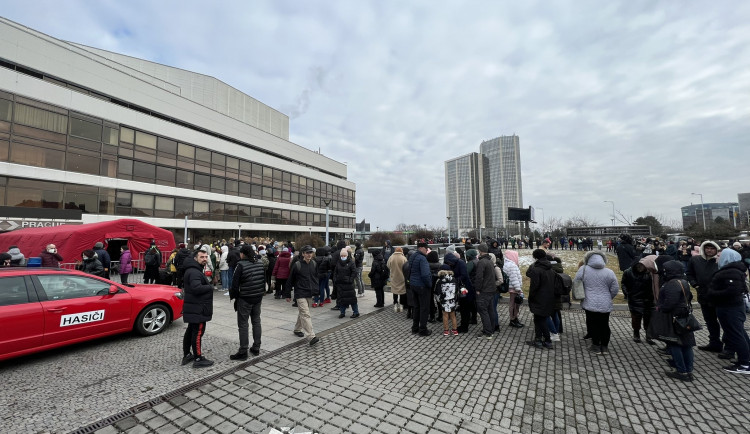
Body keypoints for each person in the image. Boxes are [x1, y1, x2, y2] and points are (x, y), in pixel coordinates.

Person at [708, 248, 750, 374]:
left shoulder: (730, 271)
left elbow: (733, 290)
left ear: (727, 257)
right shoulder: (730, 270)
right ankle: (745, 360)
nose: (717, 257)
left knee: (736, 335)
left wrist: (712, 293)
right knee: (739, 333)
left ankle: (744, 364)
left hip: (730, 308)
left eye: (719, 255)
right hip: (728, 307)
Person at [575, 251, 619, 355]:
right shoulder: (609, 272)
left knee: (593, 324)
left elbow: (576, 282)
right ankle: (604, 346)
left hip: (589, 302)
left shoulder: (583, 269)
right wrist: (608, 297)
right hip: (605, 303)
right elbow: (615, 288)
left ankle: (595, 345)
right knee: (604, 324)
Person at [658, 260, 696, 381]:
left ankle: (681, 371)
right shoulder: (683, 281)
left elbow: (670, 303)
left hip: (675, 317)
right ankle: (688, 370)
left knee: (675, 343)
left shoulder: (672, 284)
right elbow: (689, 297)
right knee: (687, 344)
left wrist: (661, 308)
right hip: (684, 315)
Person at [229, 245, 265, 360]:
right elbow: (262, 279)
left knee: (243, 324)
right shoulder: (260, 262)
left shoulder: (240, 265)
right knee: (256, 321)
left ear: (243, 254)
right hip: (257, 297)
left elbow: (234, 285)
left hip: (245, 298)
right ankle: (256, 347)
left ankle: (243, 350)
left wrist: (235, 297)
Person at [686, 240, 723, 353]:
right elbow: (689, 273)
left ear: (716, 249)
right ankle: (714, 342)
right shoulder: (695, 260)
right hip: (703, 295)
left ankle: (730, 346)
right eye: (707, 248)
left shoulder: (720, 260)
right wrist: (694, 284)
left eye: (712, 248)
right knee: (710, 321)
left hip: (718, 296)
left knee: (724, 321)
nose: (709, 250)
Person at [181, 249, 214, 368]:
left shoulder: (193, 269)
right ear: (195, 258)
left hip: (194, 306)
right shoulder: (194, 271)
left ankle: (187, 354)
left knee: (191, 331)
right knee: (198, 333)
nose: (204, 259)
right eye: (202, 257)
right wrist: (209, 287)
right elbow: (196, 288)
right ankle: (198, 358)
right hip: (198, 307)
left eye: (206, 257)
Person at [284, 245, 320, 345]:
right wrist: (287, 294)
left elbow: (316, 278)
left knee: (303, 312)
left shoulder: (314, 263)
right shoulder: (297, 265)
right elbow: (290, 279)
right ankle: (311, 336)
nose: (309, 254)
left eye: (311, 252)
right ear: (303, 254)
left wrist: (317, 291)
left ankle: (297, 329)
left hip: (310, 292)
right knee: (305, 313)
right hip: (300, 292)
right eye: (307, 253)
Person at [526, 249, 556, 349]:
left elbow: (534, 286)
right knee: (538, 319)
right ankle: (538, 339)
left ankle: (547, 340)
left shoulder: (536, 269)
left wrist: (532, 297)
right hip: (549, 297)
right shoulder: (550, 268)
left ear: (535, 257)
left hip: (539, 298)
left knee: (540, 319)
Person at [621, 260, 654, 344]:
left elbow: (653, 285)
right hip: (634, 298)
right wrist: (627, 293)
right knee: (636, 317)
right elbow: (623, 283)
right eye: (639, 266)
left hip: (647, 299)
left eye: (642, 266)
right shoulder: (628, 272)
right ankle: (636, 334)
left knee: (648, 318)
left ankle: (648, 335)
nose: (640, 268)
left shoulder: (648, 273)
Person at [409, 242, 433, 336]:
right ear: (421, 248)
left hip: (413, 284)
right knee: (424, 308)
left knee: (417, 307)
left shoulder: (413, 256)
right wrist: (429, 284)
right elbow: (425, 274)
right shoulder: (422, 259)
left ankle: (415, 328)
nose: (427, 250)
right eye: (426, 248)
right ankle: (423, 329)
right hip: (422, 286)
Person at [473, 244, 496, 339]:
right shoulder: (490, 261)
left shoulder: (481, 262)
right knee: (490, 310)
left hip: (484, 290)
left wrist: (477, 289)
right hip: (491, 289)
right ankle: (491, 328)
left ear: (480, 250)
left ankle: (487, 332)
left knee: (483, 311)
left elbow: (479, 277)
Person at [333, 247, 359, 318]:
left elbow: (354, 272)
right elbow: (335, 272)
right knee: (342, 299)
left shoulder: (351, 262)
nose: (343, 257)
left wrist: (350, 280)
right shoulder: (338, 263)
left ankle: (356, 312)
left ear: (347, 255)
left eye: (344, 256)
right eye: (342, 256)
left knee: (352, 299)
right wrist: (335, 280)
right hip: (340, 284)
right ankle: (342, 312)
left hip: (349, 285)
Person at [435, 269, 459, 336]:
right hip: (452, 300)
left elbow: (437, 291)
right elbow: (457, 290)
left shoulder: (440, 280)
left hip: (444, 300)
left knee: (445, 315)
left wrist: (439, 300)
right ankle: (455, 330)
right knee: (453, 315)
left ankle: (446, 331)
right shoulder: (454, 279)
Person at [503, 250, 524, 328]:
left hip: (513, 287)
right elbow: (514, 278)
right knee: (514, 305)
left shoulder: (508, 264)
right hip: (514, 288)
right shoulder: (511, 265)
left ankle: (514, 318)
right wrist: (518, 289)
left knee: (514, 304)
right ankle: (513, 319)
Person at [387, 246, 408, 312]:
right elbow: (406, 267)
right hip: (402, 277)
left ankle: (395, 304)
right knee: (402, 291)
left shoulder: (391, 257)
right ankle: (401, 305)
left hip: (394, 276)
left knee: (395, 291)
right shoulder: (403, 258)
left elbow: (388, 265)